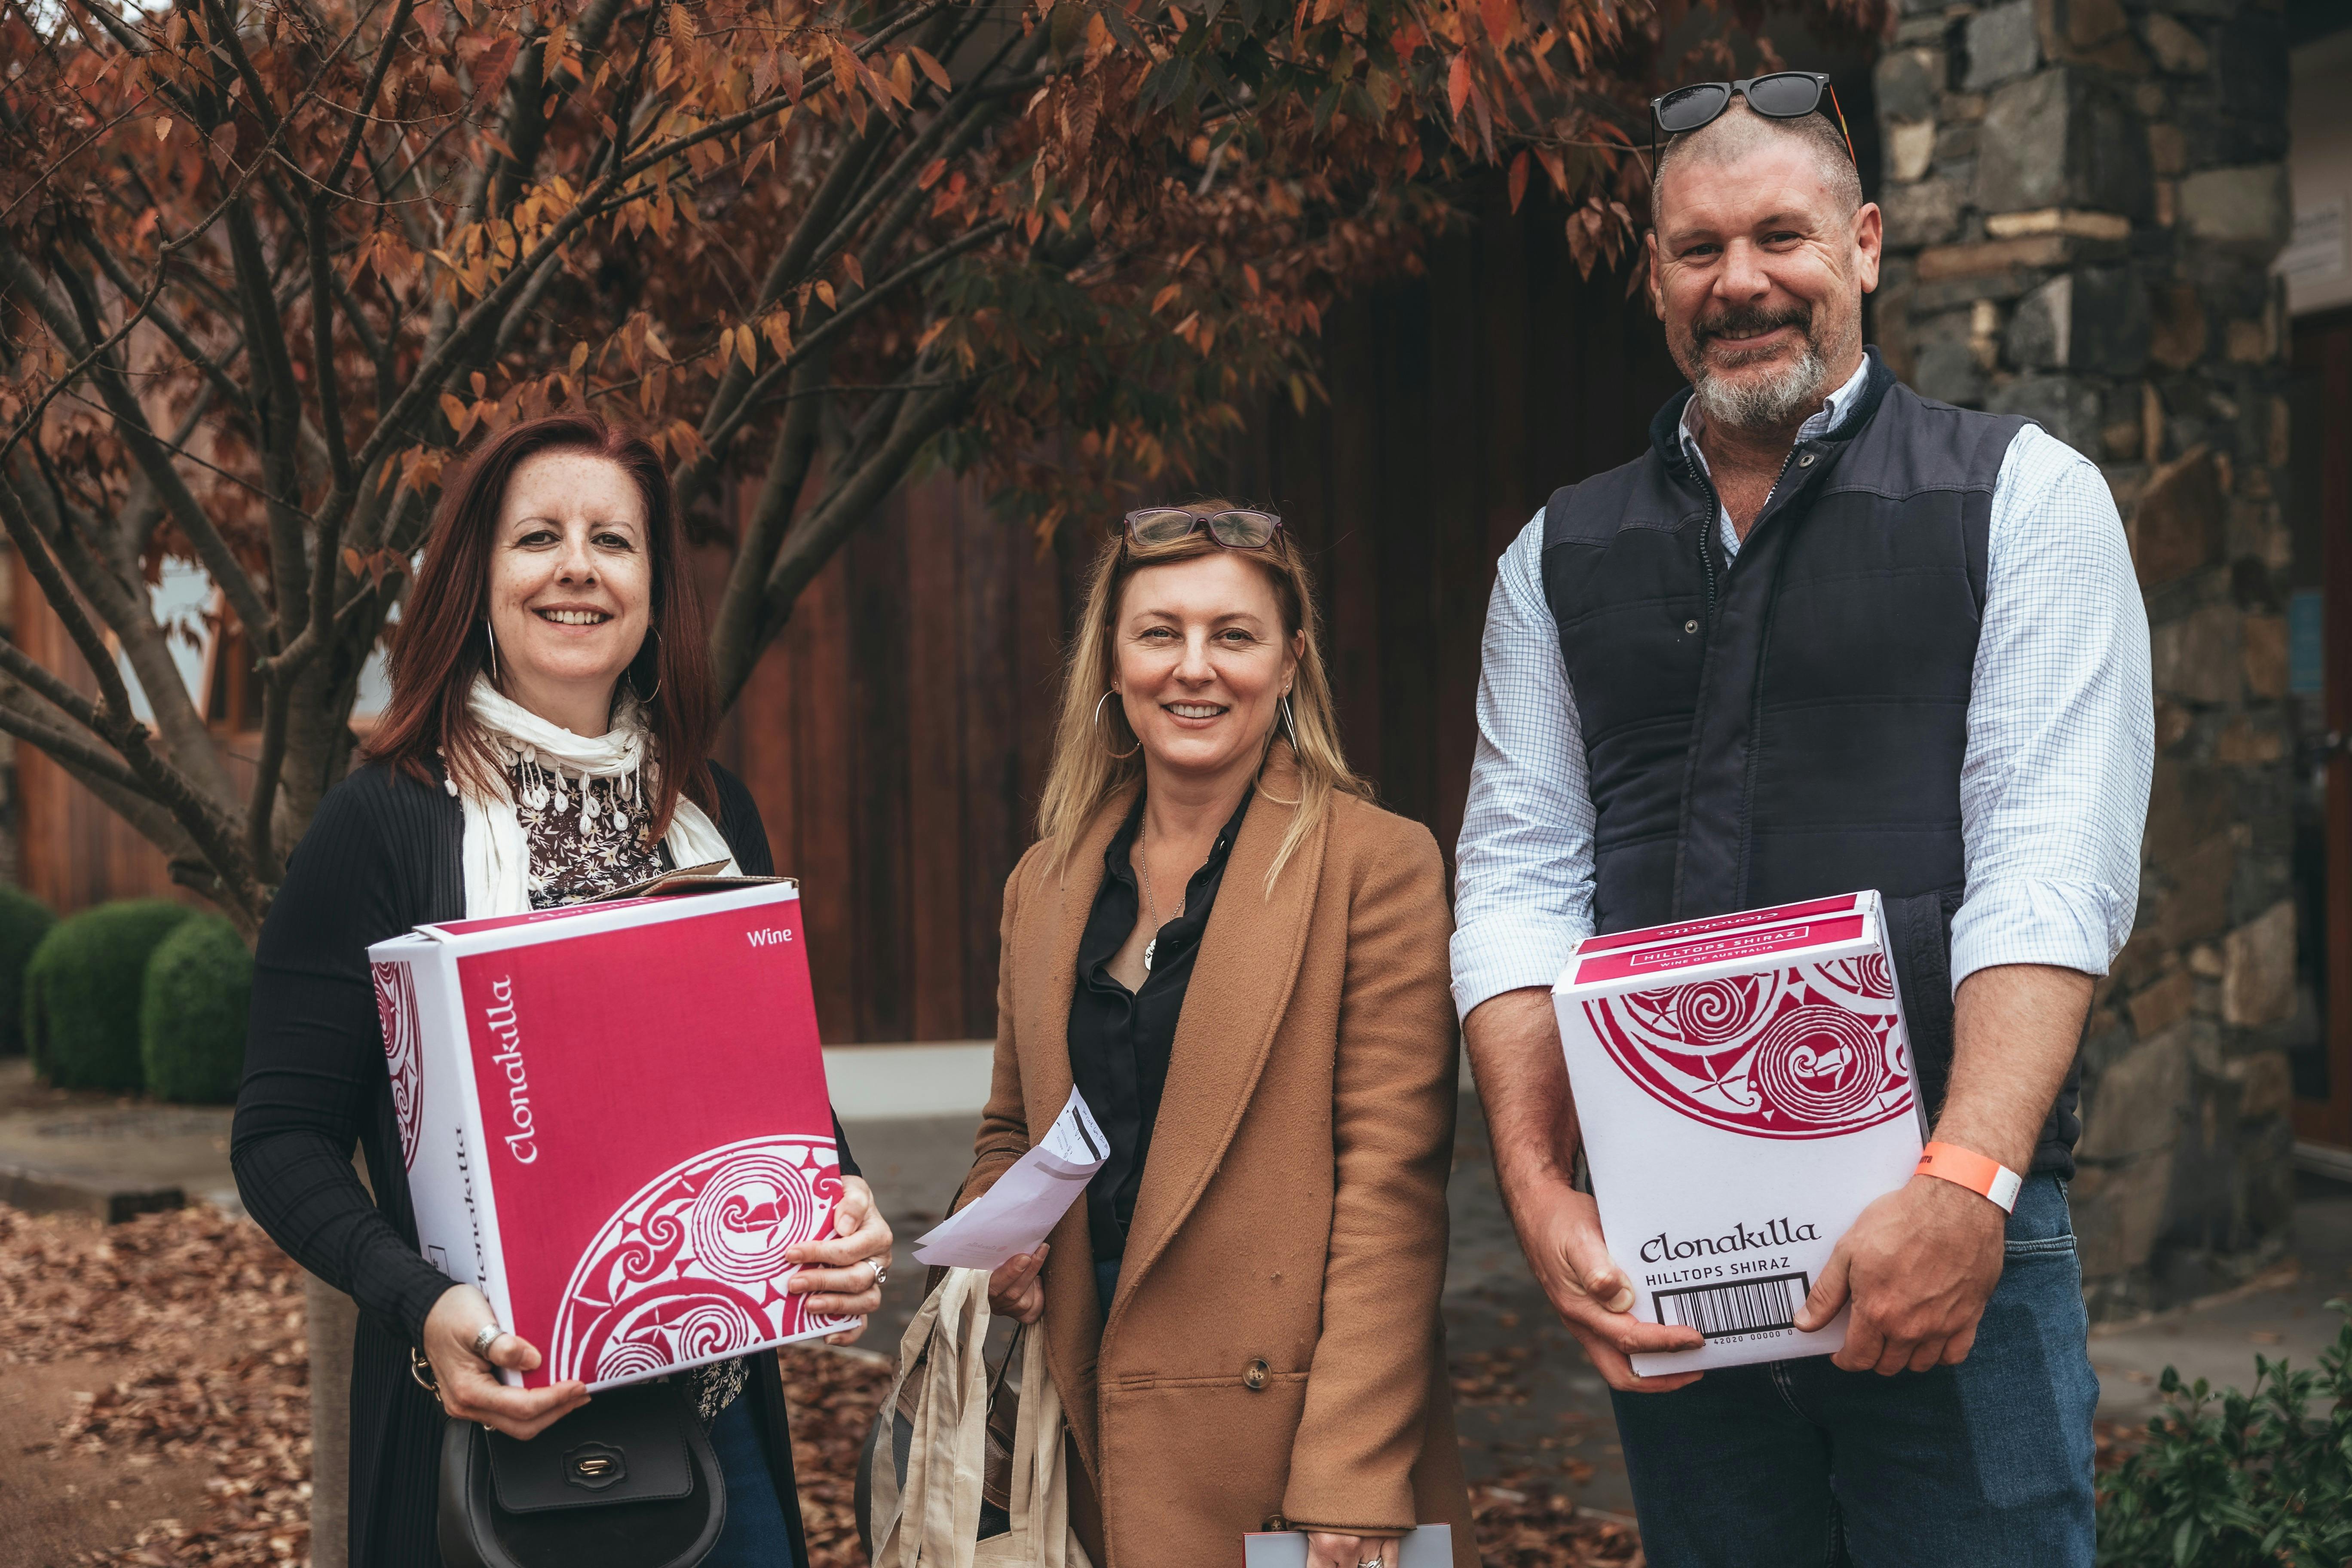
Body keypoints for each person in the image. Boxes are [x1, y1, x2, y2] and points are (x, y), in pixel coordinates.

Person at [1450, 79, 2153, 1566]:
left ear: (1867, 244)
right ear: (1654, 276)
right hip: (1675, 1253)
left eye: (1781, 234)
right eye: (1698, 248)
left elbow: (2048, 868)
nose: (1741, 280)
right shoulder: (1555, 555)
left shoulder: (2021, 499)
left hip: (1956, 1237)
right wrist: (1535, 1186)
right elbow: (1517, 883)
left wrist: (1963, 1187)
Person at [233, 413, 894, 1568]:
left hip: (713, 1426)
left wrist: (845, 1204)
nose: (578, 567)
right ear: (479, 581)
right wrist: (417, 1305)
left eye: (614, 542)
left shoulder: (709, 809)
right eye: (539, 537)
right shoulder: (384, 820)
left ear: (653, 590)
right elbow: (279, 1137)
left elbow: (773, 1102)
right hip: (488, 1434)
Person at [956, 506, 1476, 1568]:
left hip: (1293, 1454)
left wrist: (1352, 1473)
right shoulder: (1044, 882)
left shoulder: (1375, 865)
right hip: (1093, 1441)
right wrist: (988, 1238)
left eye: (1233, 635)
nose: (1194, 669)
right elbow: (1012, 1129)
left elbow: (1393, 1192)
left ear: (1290, 662)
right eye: (1160, 633)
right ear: (1113, 659)